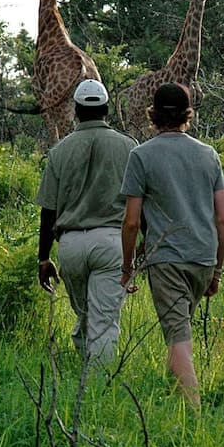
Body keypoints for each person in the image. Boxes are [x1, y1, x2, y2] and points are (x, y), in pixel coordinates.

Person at [119, 82, 224, 409]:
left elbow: (131, 222)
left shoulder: (141, 156)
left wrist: (128, 268)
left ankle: (194, 419)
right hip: (203, 258)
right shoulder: (208, 155)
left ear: (152, 115)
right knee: (178, 336)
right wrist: (217, 270)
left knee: (178, 339)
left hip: (167, 261)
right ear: (187, 115)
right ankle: (175, 407)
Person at [35, 79, 138, 366]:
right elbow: (140, 204)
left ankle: (83, 376)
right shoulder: (129, 146)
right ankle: (97, 390)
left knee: (86, 315)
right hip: (111, 242)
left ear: (76, 111)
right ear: (106, 110)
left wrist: (43, 258)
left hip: (70, 245)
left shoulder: (60, 151)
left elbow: (48, 211)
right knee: (103, 322)